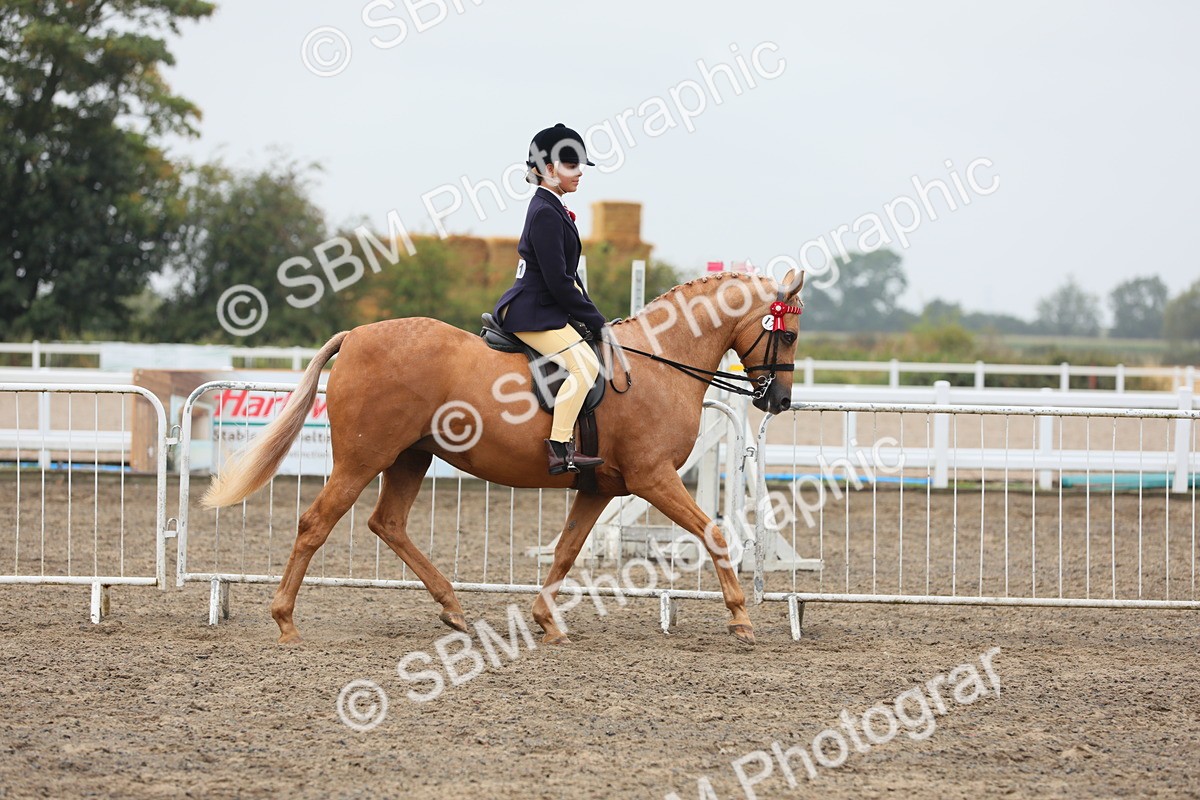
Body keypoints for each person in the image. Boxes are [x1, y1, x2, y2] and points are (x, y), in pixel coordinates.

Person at [492, 123, 608, 476]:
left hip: (543, 308)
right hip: (532, 312)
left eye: (580, 168)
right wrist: (596, 319)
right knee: (585, 367)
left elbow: (567, 279)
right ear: (549, 169)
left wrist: (590, 313)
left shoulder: (552, 207)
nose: (579, 175)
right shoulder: (545, 211)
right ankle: (560, 448)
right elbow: (559, 283)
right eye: (572, 167)